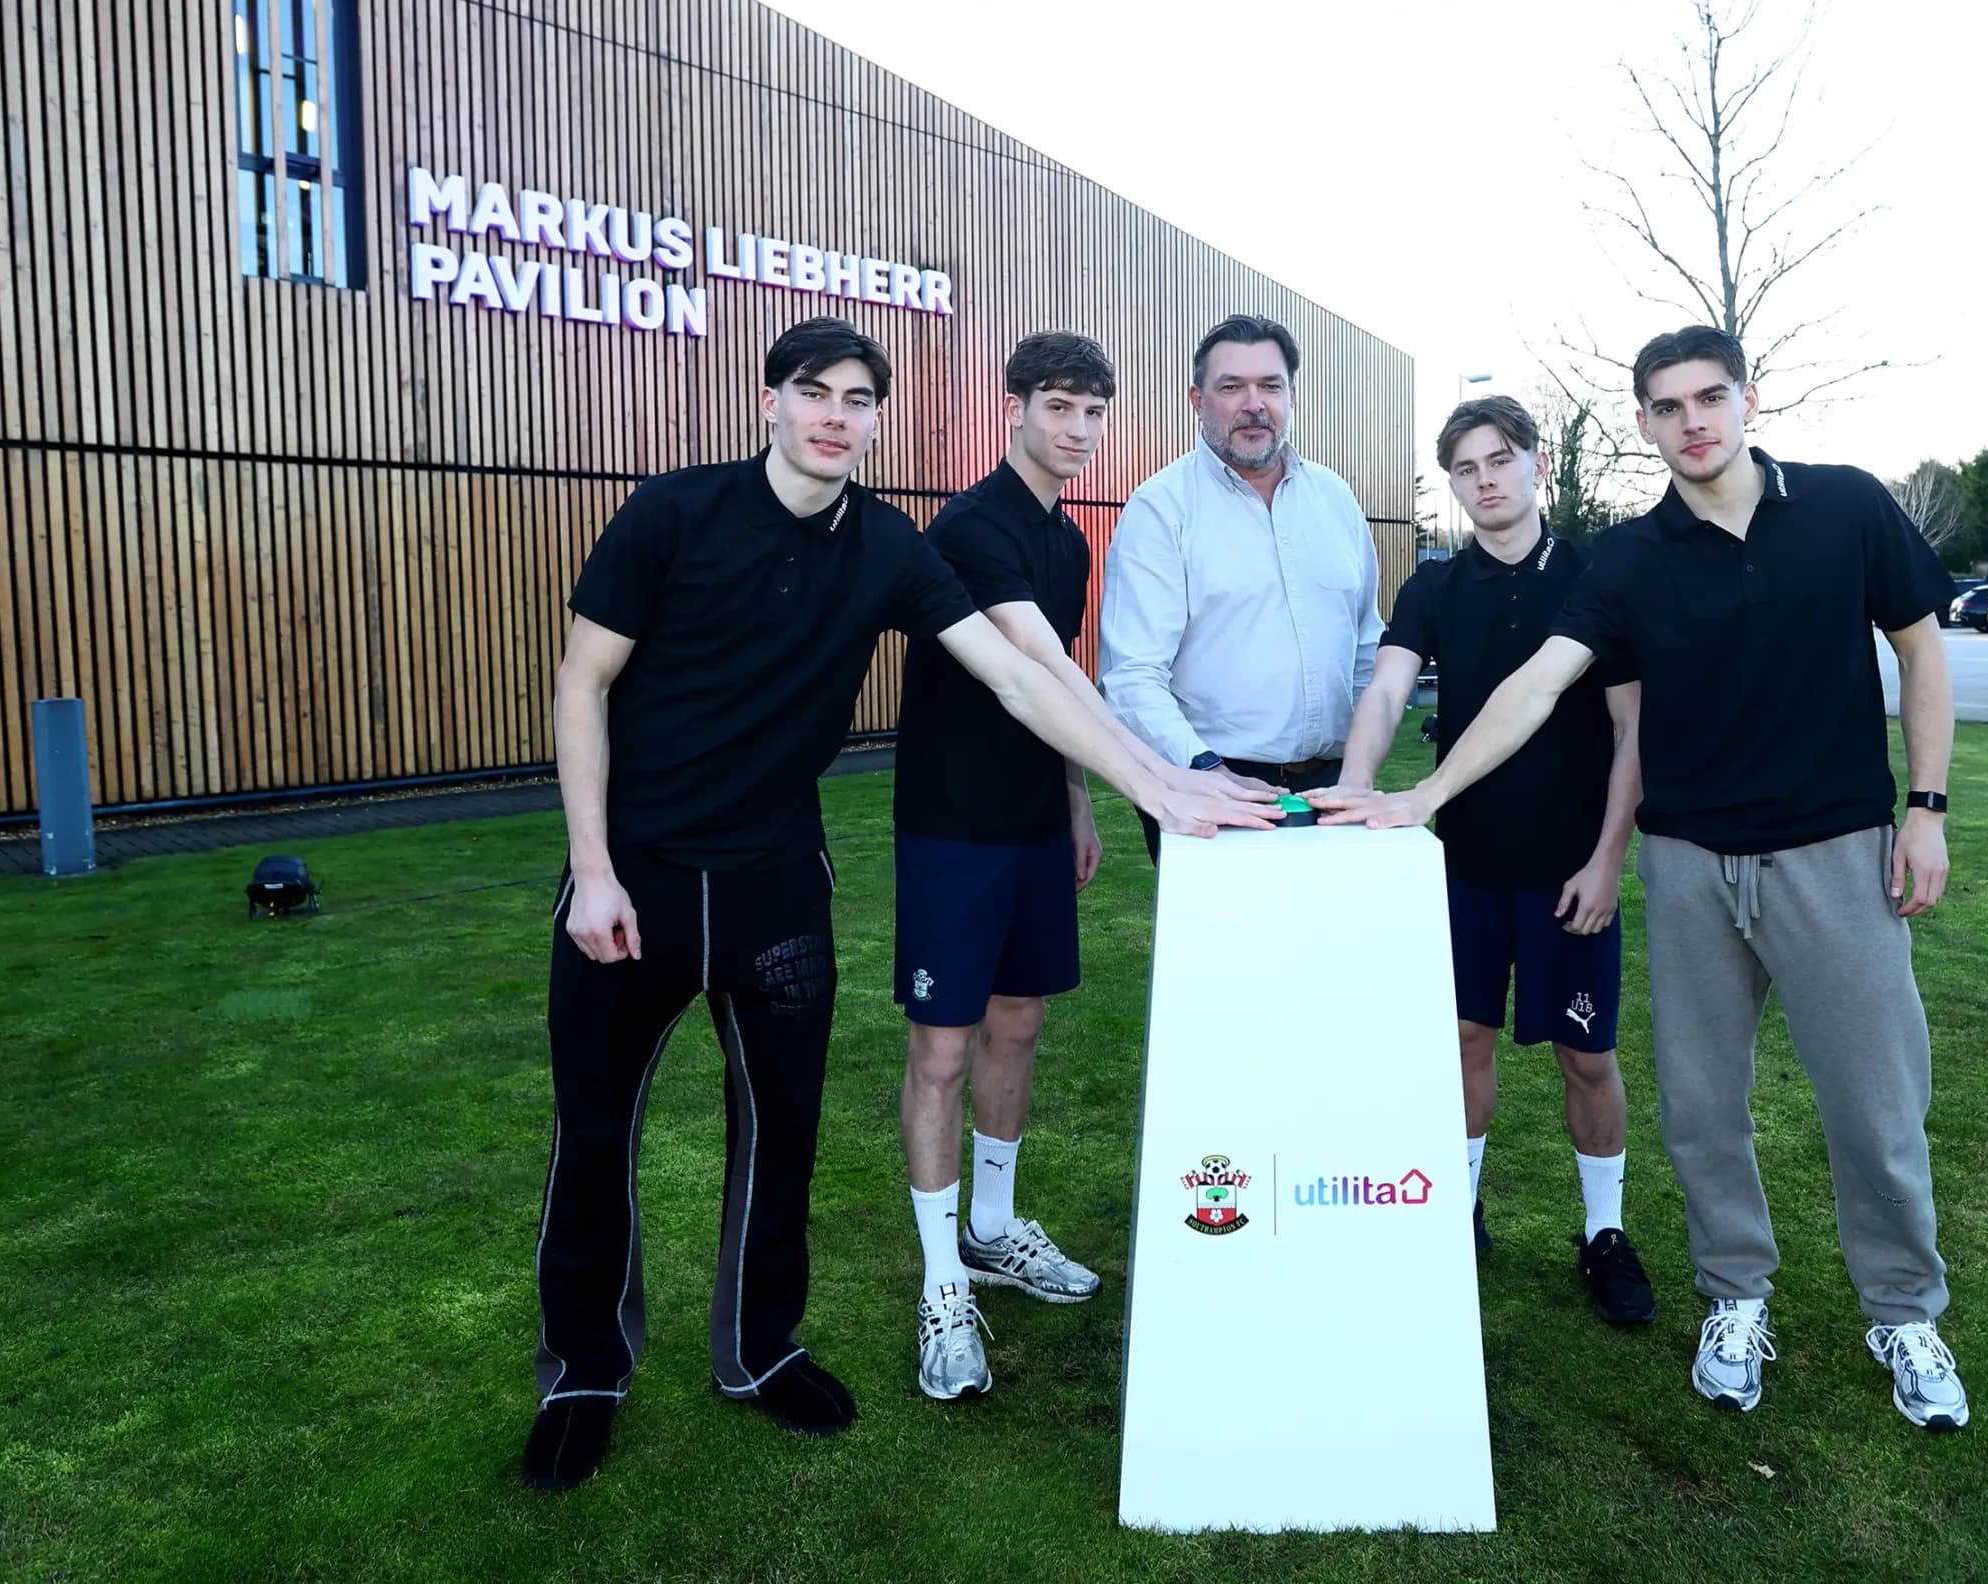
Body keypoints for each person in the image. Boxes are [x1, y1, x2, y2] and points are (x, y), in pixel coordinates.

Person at [525, 318, 1274, 1492]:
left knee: (781, 1138)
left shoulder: (886, 546)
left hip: (775, 884)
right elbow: (583, 681)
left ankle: (759, 1352)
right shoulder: (672, 512)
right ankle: (583, 1367)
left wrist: (1155, 788)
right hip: (635, 878)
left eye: (858, 398)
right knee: (595, 1134)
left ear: (878, 419)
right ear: (769, 400)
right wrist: (593, 868)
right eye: (813, 391)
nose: (835, 414)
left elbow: (1020, 673)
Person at [1315, 326, 1971, 1432]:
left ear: (1746, 399)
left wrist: (1927, 808)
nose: (1693, 422)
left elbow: (1921, 651)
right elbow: (1531, 690)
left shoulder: (1848, 507)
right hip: (1689, 867)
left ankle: (1904, 1313)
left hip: (1832, 854)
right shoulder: (1625, 560)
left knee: (1875, 1105)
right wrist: (1419, 798)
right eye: (1667, 407)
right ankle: (1735, 1299)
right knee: (1704, 1114)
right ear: (1643, 424)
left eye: (1710, 398)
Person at [890, 332, 1244, 1399]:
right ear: (1013, 412)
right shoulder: (970, 526)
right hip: (953, 830)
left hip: (1035, 825)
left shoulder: (1069, 540)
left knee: (1020, 1025)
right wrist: (1159, 782)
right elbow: (1031, 667)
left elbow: (1065, 688)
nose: (1077, 429)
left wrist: (1080, 793)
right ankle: (940, 1281)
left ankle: (994, 1229)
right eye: (1057, 407)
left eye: (1093, 411)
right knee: (942, 1053)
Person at [1328, 394, 1654, 1325]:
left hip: (1568, 874)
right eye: (1466, 469)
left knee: (1585, 1056)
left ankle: (1604, 1232)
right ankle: (1458, 1208)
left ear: (1538, 463)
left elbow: (1634, 734)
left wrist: (1607, 859)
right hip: (1463, 865)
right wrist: (1358, 784)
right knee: (1463, 1041)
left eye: (1500, 460)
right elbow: (1388, 691)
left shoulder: (1599, 577)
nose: (1485, 482)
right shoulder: (1434, 588)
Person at [1098, 314, 1387, 859]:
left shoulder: (1337, 500)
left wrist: (1358, 767)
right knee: (1223, 946)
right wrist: (1207, 772)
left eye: (1270, 386)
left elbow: (1367, 647)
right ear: (1197, 400)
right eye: (1232, 387)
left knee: (1333, 945)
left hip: (1334, 791)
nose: (1254, 404)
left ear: (1292, 396)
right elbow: (1131, 676)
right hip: (1208, 791)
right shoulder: (1161, 509)